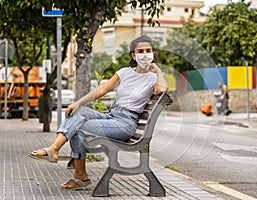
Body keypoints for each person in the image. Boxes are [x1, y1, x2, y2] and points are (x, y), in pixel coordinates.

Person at [28, 35, 168, 190]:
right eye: (140, 51)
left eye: (148, 50)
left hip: (125, 124)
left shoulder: (154, 77)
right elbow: (102, 89)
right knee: (77, 113)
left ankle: (69, 165)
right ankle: (60, 155)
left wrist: (158, 70)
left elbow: (161, 90)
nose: (144, 54)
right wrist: (77, 102)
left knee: (77, 126)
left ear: (153, 53)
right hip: (112, 116)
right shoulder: (124, 72)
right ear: (133, 55)